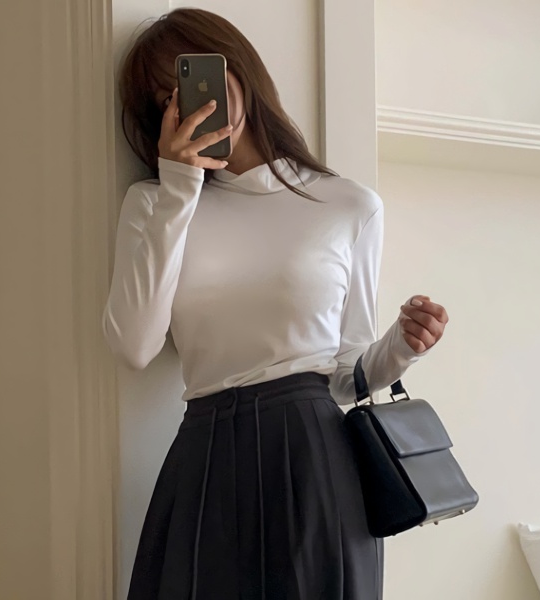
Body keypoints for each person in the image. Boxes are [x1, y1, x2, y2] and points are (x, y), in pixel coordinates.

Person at [103, 7, 449, 600]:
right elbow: (134, 346)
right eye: (167, 99)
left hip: (314, 453)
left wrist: (402, 347)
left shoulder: (348, 205)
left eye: (196, 79)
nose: (189, 105)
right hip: (206, 451)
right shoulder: (153, 204)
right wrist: (180, 186)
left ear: (238, 71)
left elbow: (345, 375)